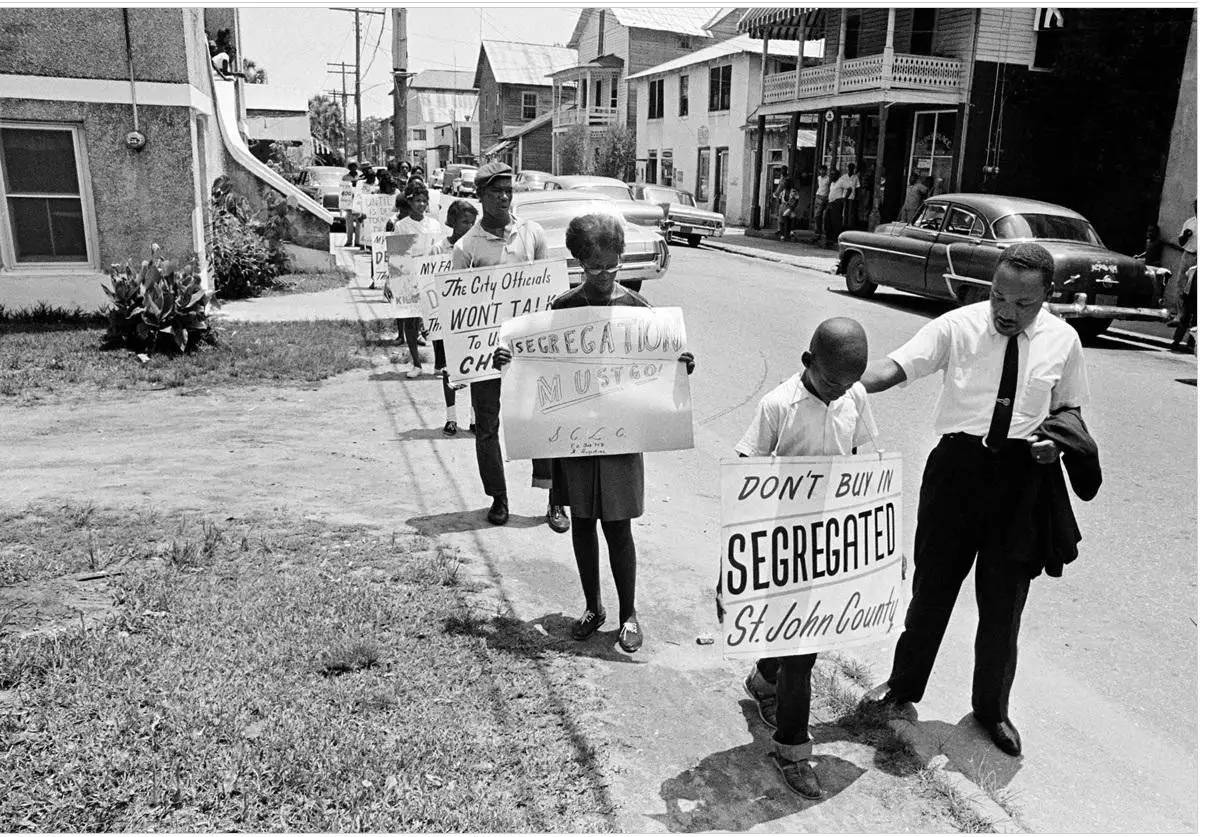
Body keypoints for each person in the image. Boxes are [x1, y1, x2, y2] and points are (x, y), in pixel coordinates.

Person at [859, 242, 1099, 759]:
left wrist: (1054, 441)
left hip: (1021, 484)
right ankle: (902, 688)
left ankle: (991, 709)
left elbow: (1070, 408)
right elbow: (895, 368)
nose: (1007, 312)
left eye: (1023, 304)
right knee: (931, 592)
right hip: (956, 475)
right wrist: (838, 377)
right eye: (998, 297)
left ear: (1047, 297)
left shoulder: (1064, 340)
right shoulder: (957, 326)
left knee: (1003, 607)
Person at [496, 213, 695, 652]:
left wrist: (681, 363)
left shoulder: (639, 312)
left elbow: (664, 362)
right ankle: (592, 606)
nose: (603, 276)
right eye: (592, 267)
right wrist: (511, 360)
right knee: (583, 522)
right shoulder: (563, 310)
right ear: (577, 263)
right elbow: (538, 365)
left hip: (621, 438)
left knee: (618, 526)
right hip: (576, 437)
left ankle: (629, 613)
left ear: (621, 261)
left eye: (611, 267)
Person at [721, 317, 877, 799]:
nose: (839, 392)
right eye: (831, 381)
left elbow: (868, 459)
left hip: (834, 541)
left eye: (850, 383)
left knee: (807, 638)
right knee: (803, 653)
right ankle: (792, 749)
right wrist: (734, 557)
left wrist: (882, 542)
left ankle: (764, 677)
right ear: (808, 362)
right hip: (784, 541)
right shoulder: (778, 406)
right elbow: (746, 472)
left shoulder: (854, 396)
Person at [451, 162, 568, 532]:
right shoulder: (466, 247)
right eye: (495, 191)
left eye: (508, 191)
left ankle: (554, 500)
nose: (503, 197)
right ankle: (498, 498)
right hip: (486, 354)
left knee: (544, 420)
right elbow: (460, 310)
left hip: (529, 349)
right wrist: (458, 360)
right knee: (487, 426)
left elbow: (545, 290)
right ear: (480, 195)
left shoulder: (531, 233)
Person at [424, 199, 479, 433]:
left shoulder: (477, 247)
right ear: (453, 222)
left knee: (477, 368)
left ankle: (475, 419)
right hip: (447, 317)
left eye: (473, 223)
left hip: (473, 315)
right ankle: (451, 417)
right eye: (465, 222)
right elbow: (429, 286)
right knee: (448, 369)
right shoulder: (439, 249)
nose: (469, 227)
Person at [386, 183, 444, 378]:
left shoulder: (434, 225)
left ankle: (439, 364)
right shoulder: (401, 226)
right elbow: (396, 256)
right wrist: (389, 280)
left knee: (435, 320)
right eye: (417, 201)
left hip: (431, 278)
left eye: (424, 201)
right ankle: (416, 363)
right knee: (411, 320)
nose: (421, 204)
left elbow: (441, 252)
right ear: (409, 202)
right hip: (409, 278)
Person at [1170, 264, 1196, 353]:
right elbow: (1187, 282)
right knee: (1184, 320)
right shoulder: (1192, 270)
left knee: (1195, 323)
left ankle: (1191, 345)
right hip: (1189, 298)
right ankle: (1176, 341)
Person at [821, 169, 844, 248]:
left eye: (834, 174)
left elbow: (850, 189)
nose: (832, 176)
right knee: (827, 221)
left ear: (837, 175)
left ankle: (835, 240)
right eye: (831, 174)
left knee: (835, 222)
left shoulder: (841, 181)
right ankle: (829, 240)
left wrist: (843, 199)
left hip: (836, 203)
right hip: (830, 203)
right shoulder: (832, 183)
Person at [341, 162, 361, 247]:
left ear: (356, 167)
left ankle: (357, 241)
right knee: (349, 223)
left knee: (359, 223)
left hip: (358, 202)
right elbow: (343, 189)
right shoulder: (345, 177)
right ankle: (349, 241)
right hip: (348, 202)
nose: (353, 168)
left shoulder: (360, 177)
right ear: (349, 167)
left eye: (354, 166)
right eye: (351, 166)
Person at [775, 175, 800, 241]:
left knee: (792, 217)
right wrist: (780, 206)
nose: (785, 184)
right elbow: (780, 200)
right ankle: (782, 235)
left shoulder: (794, 191)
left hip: (790, 207)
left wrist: (793, 207)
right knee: (781, 221)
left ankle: (790, 232)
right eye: (785, 183)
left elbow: (797, 200)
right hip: (783, 206)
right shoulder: (782, 192)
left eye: (787, 182)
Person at [812, 164, 830, 242]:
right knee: (816, 215)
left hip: (824, 197)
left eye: (823, 170)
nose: (822, 171)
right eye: (821, 170)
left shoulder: (828, 179)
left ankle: (818, 232)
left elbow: (829, 188)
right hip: (818, 196)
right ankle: (817, 231)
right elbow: (818, 186)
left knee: (818, 215)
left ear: (826, 171)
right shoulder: (818, 178)